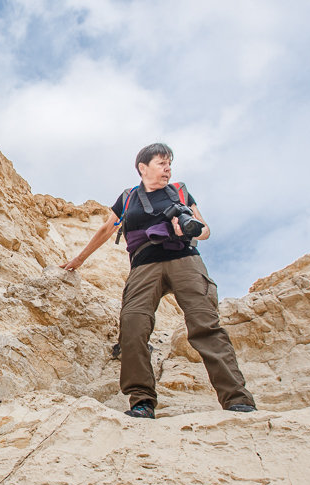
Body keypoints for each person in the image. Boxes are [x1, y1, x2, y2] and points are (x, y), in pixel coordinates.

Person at [63, 143, 256, 418]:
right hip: (144, 266)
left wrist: (189, 229)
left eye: (170, 164)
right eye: (161, 163)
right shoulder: (128, 197)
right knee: (132, 327)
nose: (168, 168)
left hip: (185, 261)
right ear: (143, 167)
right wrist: (78, 260)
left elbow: (205, 230)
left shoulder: (180, 191)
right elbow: (107, 228)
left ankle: (238, 399)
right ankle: (141, 401)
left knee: (205, 326)